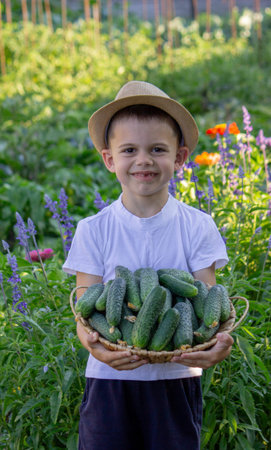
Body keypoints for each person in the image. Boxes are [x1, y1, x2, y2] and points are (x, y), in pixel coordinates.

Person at [63, 80, 234, 450]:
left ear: (179, 158)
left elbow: (208, 303)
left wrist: (217, 342)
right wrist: (94, 346)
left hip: (176, 380)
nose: (143, 160)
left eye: (158, 149)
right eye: (129, 150)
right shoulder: (92, 230)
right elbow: (83, 308)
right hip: (110, 379)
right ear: (110, 160)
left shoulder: (198, 226)